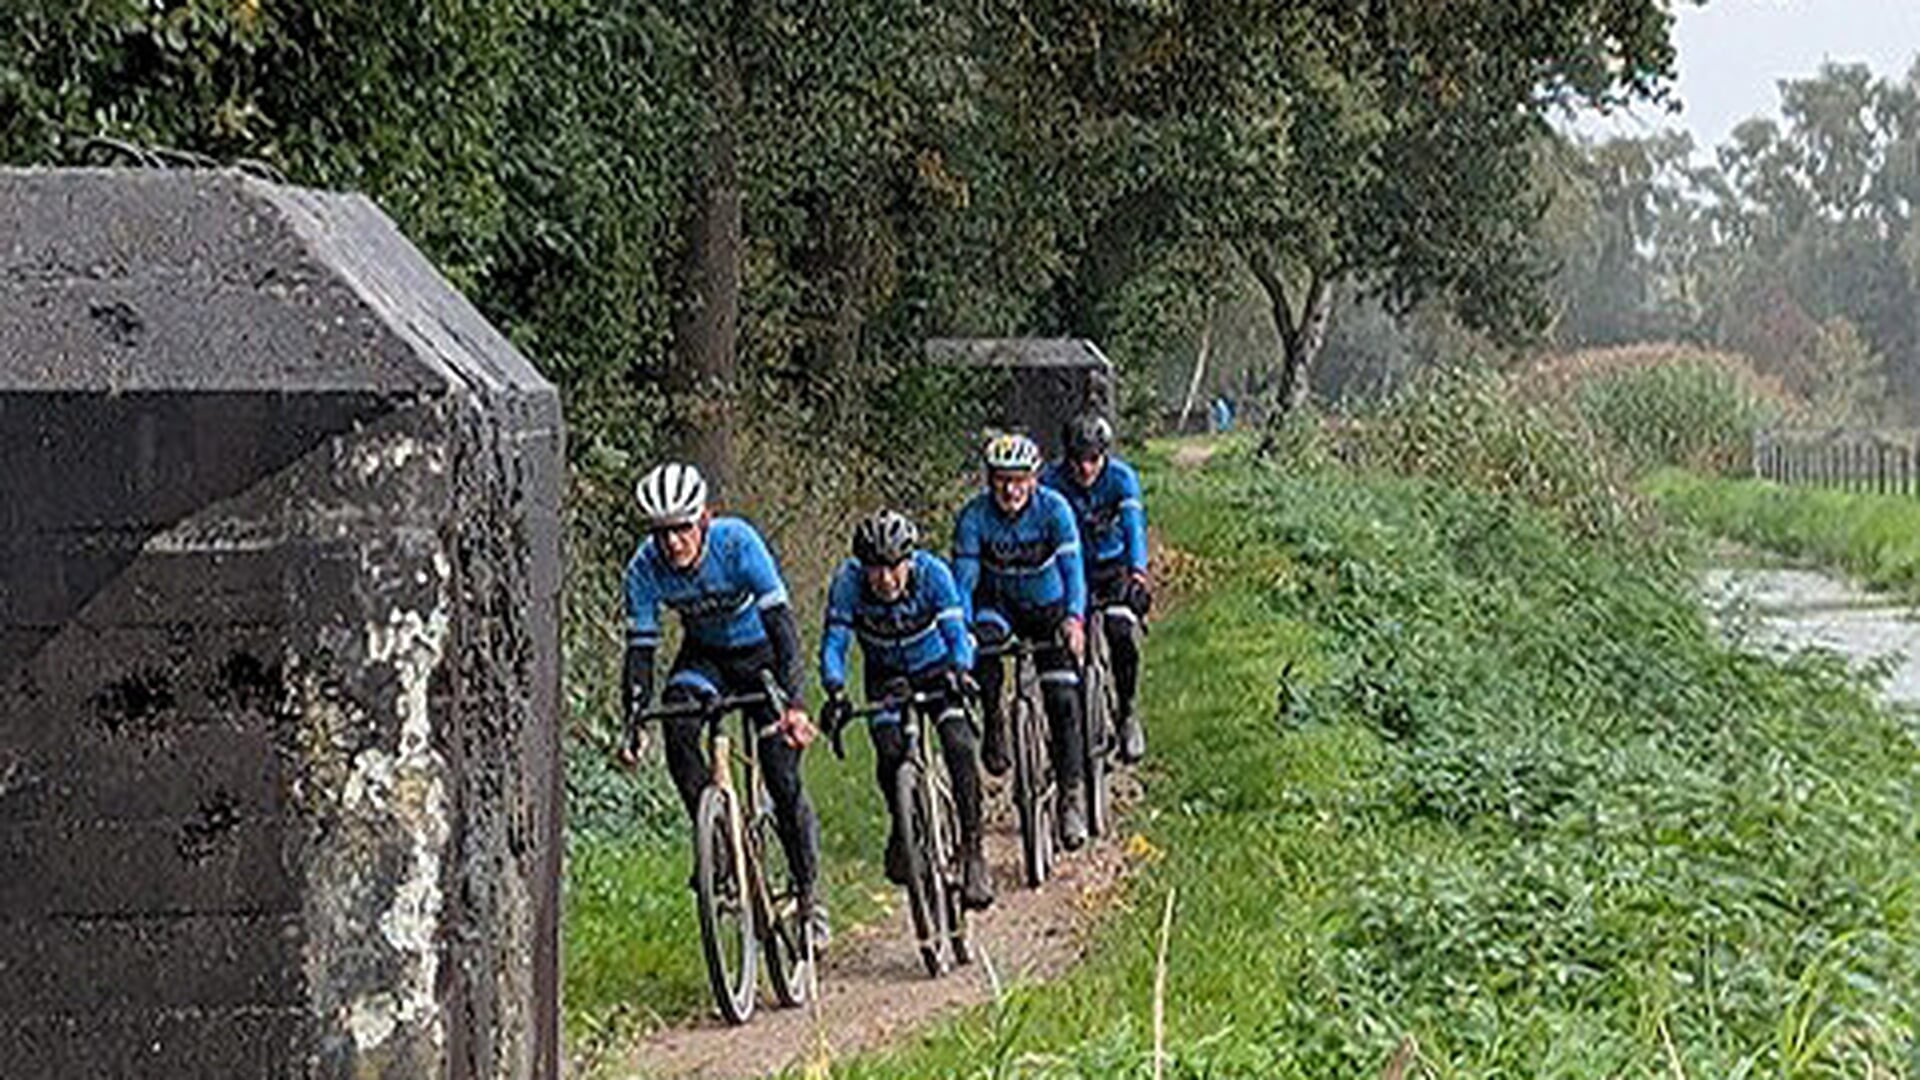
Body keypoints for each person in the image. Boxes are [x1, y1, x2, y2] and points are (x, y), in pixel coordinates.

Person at [618, 462, 828, 944]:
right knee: (677, 721)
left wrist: (795, 704)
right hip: (706, 657)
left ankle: (809, 895)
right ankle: (713, 838)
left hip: (762, 656)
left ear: (705, 518)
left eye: (682, 528)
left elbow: (783, 628)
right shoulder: (644, 567)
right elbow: (640, 652)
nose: (672, 543)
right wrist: (634, 722)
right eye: (661, 532)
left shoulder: (738, 543)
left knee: (782, 777)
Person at [818, 510, 994, 910]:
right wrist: (835, 689)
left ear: (909, 561)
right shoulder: (847, 584)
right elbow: (835, 642)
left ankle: (973, 851)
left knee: (959, 745)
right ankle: (902, 828)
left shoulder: (933, 575)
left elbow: (957, 632)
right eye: (875, 569)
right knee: (889, 754)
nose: (885, 579)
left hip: (938, 670)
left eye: (894, 567)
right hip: (886, 678)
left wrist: (960, 669)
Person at [953, 432, 1092, 850]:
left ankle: (1070, 796)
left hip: (1047, 609)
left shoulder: (1055, 510)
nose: (1011, 490)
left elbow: (1073, 571)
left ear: (1034, 479)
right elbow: (963, 583)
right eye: (1001, 480)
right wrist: (962, 632)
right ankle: (995, 722)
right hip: (996, 607)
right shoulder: (973, 517)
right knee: (983, 653)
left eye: (1019, 480)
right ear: (989, 480)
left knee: (1063, 699)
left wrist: (1074, 619)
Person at [1042, 414, 1152, 763]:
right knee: (1062, 644)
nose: (1085, 469)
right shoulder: (1051, 481)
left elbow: (1133, 527)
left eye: (1093, 459)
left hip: (1112, 567)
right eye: (1077, 460)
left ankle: (1127, 711)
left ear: (1104, 455)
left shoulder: (1121, 478)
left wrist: (1138, 574)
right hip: (1069, 571)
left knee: (1121, 630)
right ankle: (1068, 726)